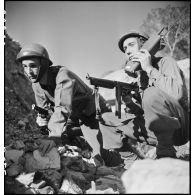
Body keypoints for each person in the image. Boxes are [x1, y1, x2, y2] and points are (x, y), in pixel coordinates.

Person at [16, 43, 123, 166]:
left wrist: (53, 136)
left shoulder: (62, 75)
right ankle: (83, 145)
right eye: (24, 66)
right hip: (74, 118)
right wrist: (42, 120)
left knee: (105, 157)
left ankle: (123, 161)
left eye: (33, 66)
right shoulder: (36, 85)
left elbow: (62, 107)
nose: (28, 71)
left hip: (93, 114)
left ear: (44, 64)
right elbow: (44, 110)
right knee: (59, 133)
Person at [99, 30, 189, 158]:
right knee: (107, 118)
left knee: (151, 93)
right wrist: (129, 102)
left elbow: (177, 93)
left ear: (145, 46)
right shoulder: (140, 78)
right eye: (125, 49)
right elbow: (147, 112)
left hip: (181, 128)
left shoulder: (166, 62)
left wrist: (149, 69)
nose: (127, 51)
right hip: (156, 131)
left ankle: (165, 154)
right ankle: (130, 162)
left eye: (131, 45)